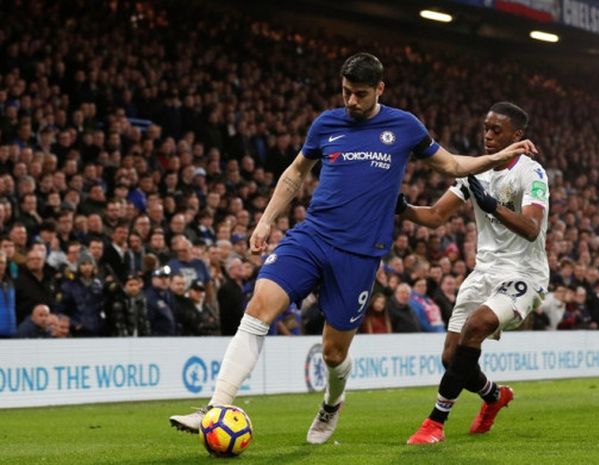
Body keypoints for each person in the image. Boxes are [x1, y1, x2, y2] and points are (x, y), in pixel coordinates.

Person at [169, 53, 535, 442]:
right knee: (259, 305)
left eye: (360, 94)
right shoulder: (326, 123)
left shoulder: (404, 126)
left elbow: (451, 166)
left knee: (333, 354)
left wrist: (496, 157)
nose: (352, 102)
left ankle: (332, 402)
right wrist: (265, 220)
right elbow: (295, 174)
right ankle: (215, 407)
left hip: (359, 254)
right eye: (346, 92)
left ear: (379, 89)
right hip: (313, 236)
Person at [398, 102, 549, 444]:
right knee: (451, 358)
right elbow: (436, 216)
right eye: (485, 128)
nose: (488, 136)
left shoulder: (531, 173)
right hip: (484, 273)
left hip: (524, 274)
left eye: (497, 130)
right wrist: (402, 209)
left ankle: (435, 422)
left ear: (517, 135)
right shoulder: (475, 172)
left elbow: (531, 228)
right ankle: (494, 397)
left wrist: (491, 205)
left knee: (477, 325)